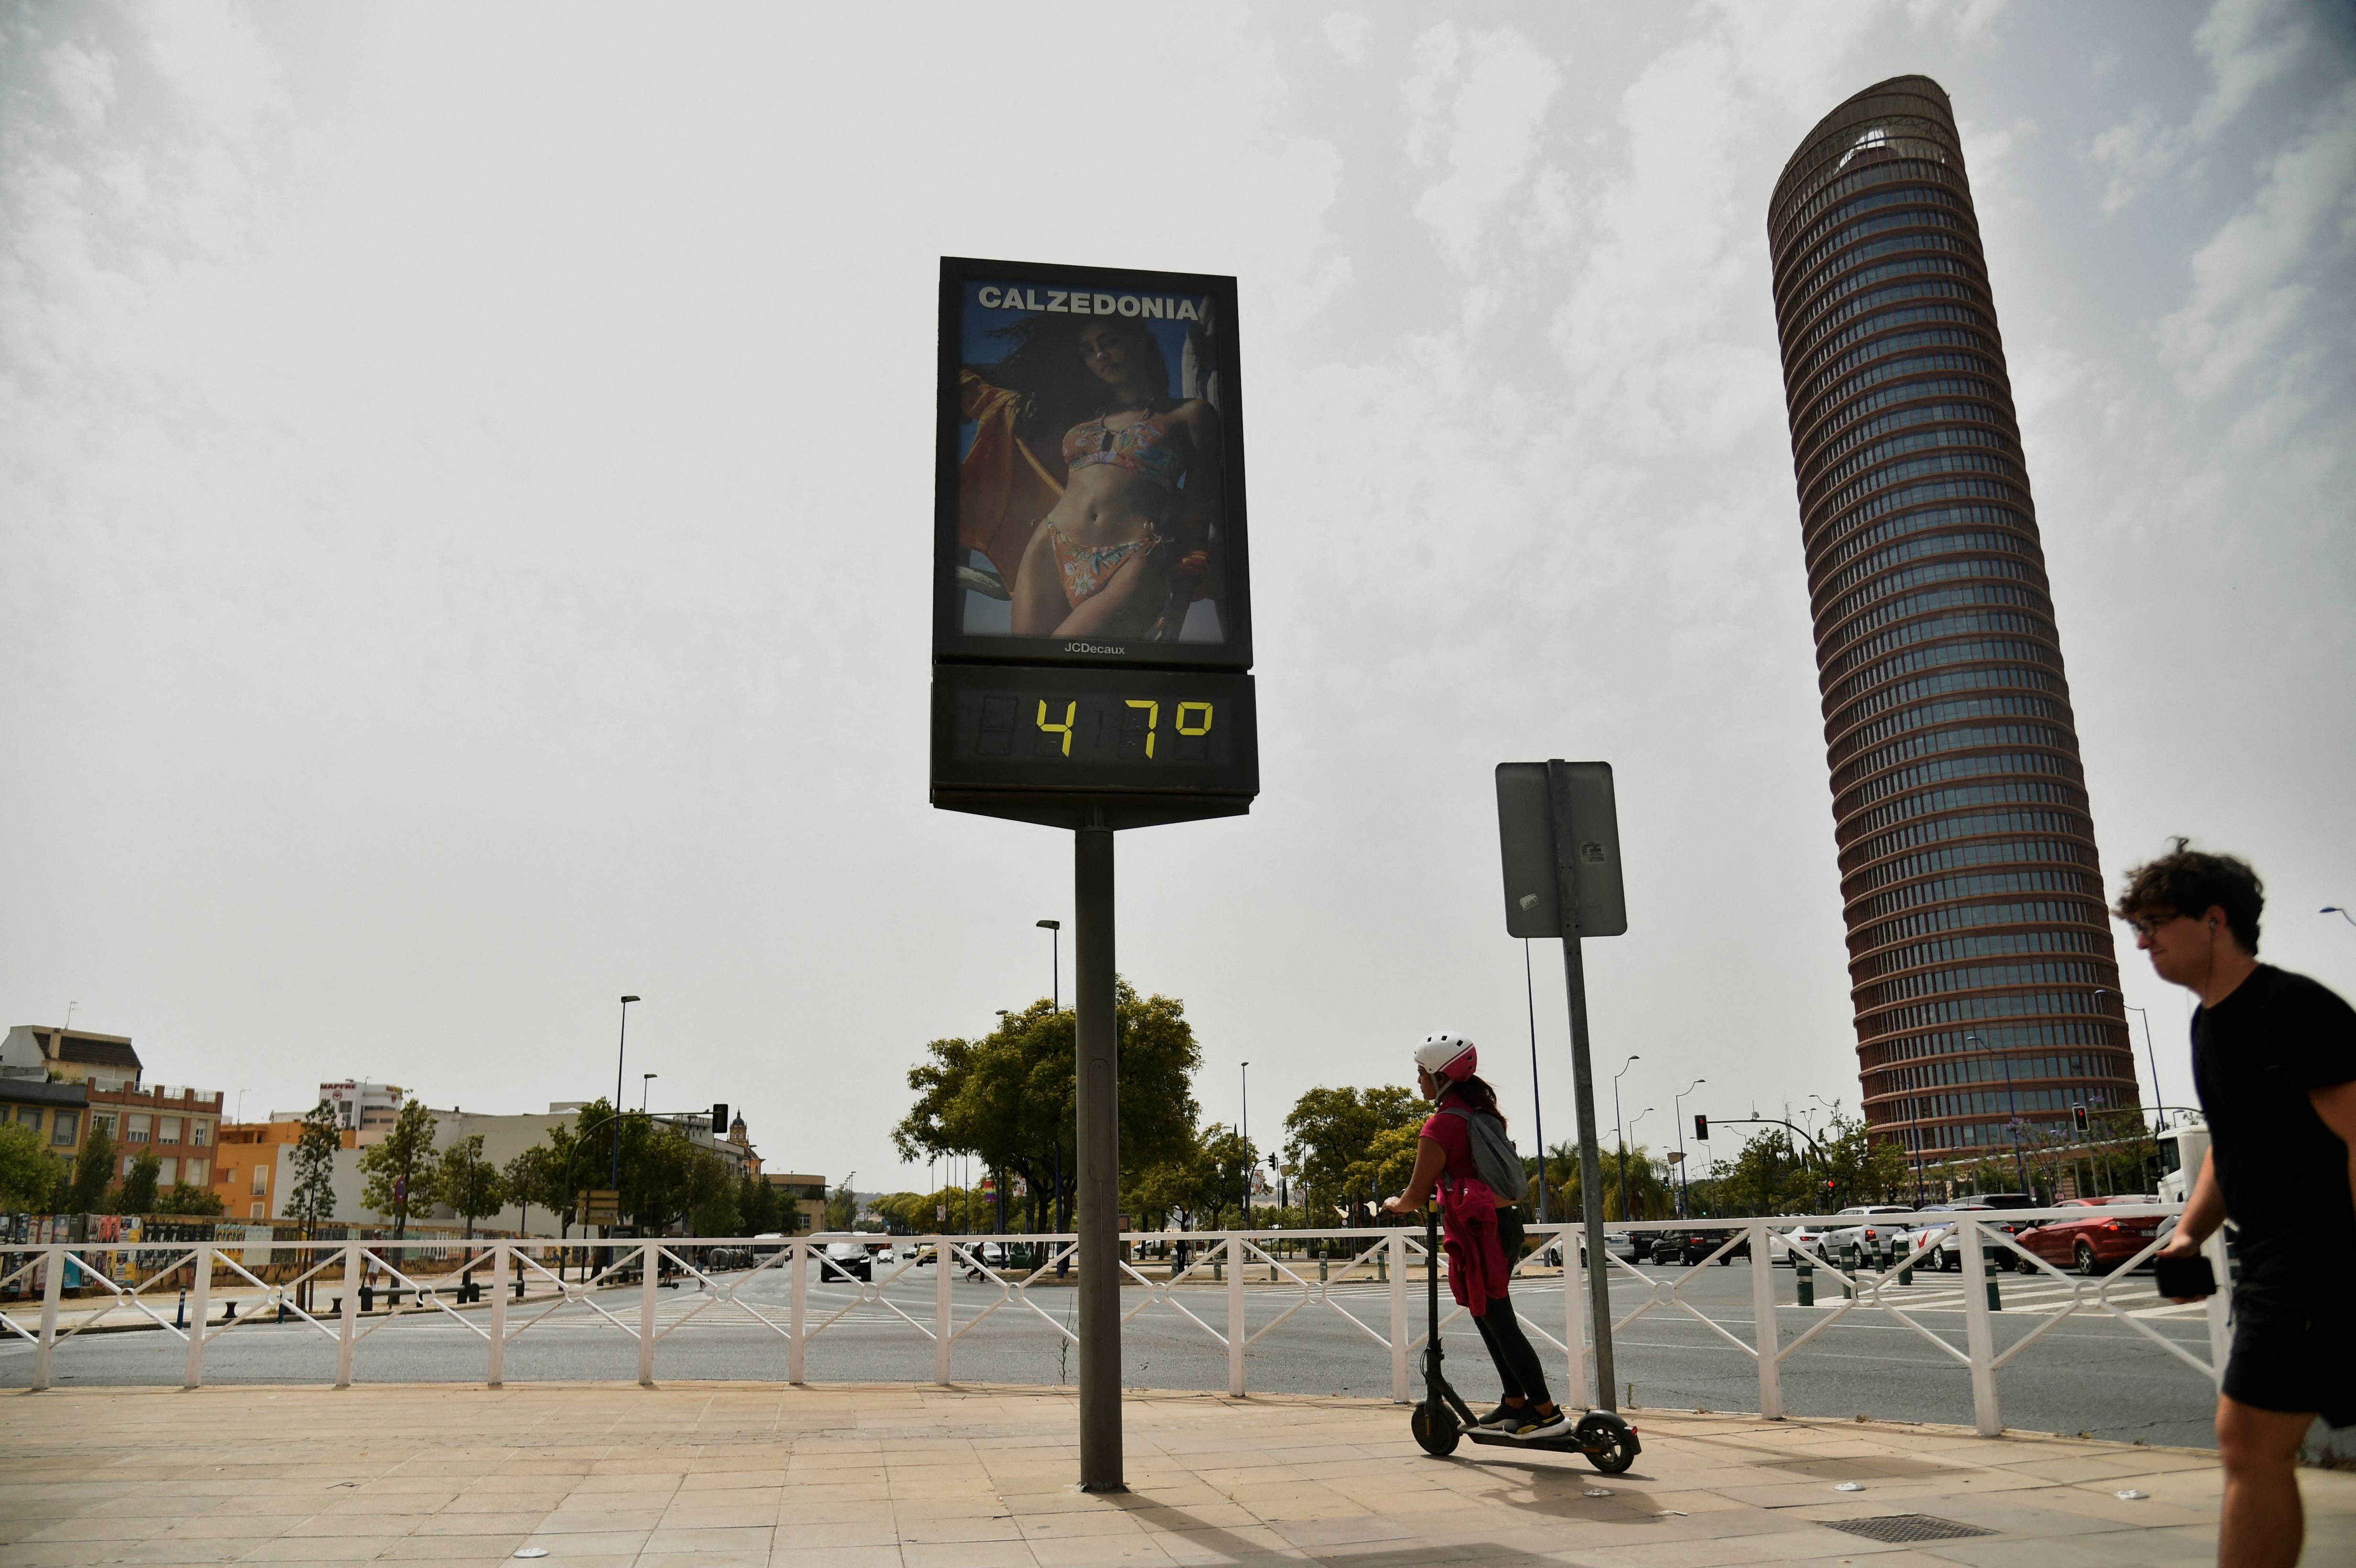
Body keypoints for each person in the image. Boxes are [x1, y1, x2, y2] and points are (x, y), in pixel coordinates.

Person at [2126, 842, 2356, 1568]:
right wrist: (2189, 1235)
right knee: (2253, 1445)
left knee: (2250, 1442)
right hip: (2271, 1258)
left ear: (2215, 920)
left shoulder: (2293, 1009)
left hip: (2318, 1254)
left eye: (2157, 922)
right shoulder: (2209, 1024)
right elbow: (2232, 1144)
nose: (2143, 941)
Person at [1382, 1033, 1569, 1441]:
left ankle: (1547, 1414)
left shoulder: (1443, 1124)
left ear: (1441, 1077)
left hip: (1480, 1232)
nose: (1418, 1081)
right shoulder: (1481, 1113)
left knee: (1499, 1321)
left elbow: (1416, 1194)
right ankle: (1515, 1404)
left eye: (1421, 1073)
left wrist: (1395, 1204)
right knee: (1487, 1314)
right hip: (1501, 1224)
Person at [992, 316, 1220, 641]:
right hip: (1052, 546)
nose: (1100, 356)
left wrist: (1179, 606)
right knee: (1027, 672)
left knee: (1061, 663)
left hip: (1134, 559)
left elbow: (1197, 517)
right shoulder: (1085, 416)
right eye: (1088, 350)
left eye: (1108, 342)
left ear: (1140, 341)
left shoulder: (1191, 414)